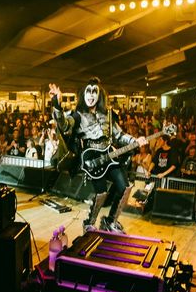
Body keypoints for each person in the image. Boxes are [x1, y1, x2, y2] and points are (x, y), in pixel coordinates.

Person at [49, 77, 147, 232]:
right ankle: (89, 222)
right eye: (88, 91)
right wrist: (56, 103)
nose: (91, 95)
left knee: (125, 187)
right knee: (101, 192)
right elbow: (64, 125)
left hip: (108, 155)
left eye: (94, 91)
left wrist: (135, 140)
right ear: (84, 94)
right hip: (91, 158)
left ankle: (110, 221)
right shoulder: (78, 115)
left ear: (100, 95)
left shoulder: (107, 114)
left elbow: (119, 136)